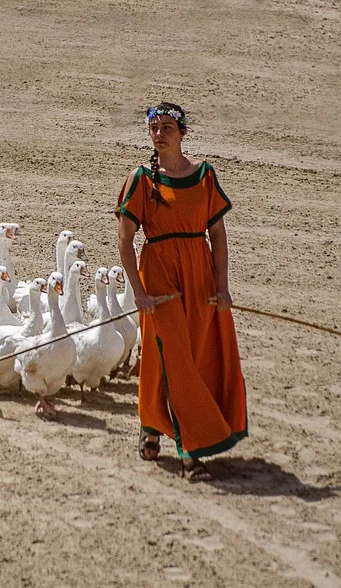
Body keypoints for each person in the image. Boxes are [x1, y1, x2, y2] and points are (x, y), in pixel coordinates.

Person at [115, 102, 248, 482]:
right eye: (155, 128)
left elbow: (217, 234)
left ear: (182, 132)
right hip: (159, 279)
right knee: (176, 361)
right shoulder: (141, 179)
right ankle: (191, 452)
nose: (160, 134)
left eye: (168, 127)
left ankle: (151, 423)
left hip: (200, 276)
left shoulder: (204, 175)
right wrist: (138, 292)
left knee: (185, 357)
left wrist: (222, 287)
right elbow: (126, 239)